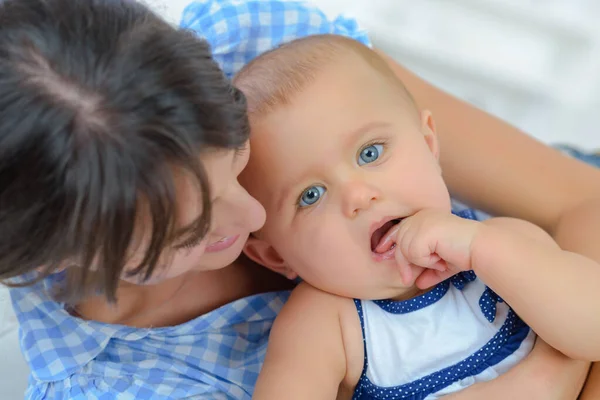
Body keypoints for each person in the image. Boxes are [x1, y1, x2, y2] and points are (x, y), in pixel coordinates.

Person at [0, 0, 596, 398]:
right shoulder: (121, 384)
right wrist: (547, 374)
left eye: (236, 158)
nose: (256, 217)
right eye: (190, 231)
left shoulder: (266, 56)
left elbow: (580, 202)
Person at [233, 34, 600, 399]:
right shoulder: (324, 325)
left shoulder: (504, 242)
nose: (358, 196)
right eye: (310, 196)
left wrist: (481, 248)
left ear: (428, 145)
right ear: (277, 256)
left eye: (370, 153)